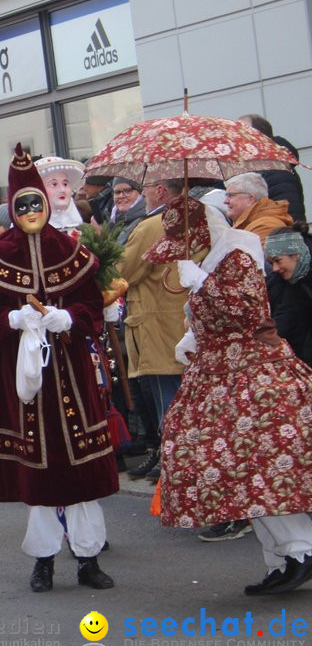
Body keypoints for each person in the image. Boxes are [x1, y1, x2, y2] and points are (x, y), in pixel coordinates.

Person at [0, 145, 118, 593]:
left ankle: (89, 557)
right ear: (13, 209)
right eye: (24, 204)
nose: (33, 210)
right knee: (37, 473)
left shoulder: (69, 249)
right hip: (23, 380)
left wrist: (68, 317)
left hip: (69, 371)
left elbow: (92, 305)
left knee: (81, 471)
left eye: (38, 202)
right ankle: (45, 561)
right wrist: (12, 320)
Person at [149, 196, 312, 595]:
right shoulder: (210, 263)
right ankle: (282, 557)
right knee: (232, 470)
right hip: (217, 374)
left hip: (252, 375)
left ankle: (300, 550)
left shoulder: (238, 255)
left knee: (254, 463)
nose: (183, 253)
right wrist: (191, 337)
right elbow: (211, 316)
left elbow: (246, 311)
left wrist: (203, 283)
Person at [118, 178, 187, 484]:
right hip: (182, 321)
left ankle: (174, 460)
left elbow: (123, 271)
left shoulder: (151, 226)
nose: (142, 192)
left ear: (160, 190)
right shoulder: (196, 219)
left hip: (158, 324)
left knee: (166, 398)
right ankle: (173, 456)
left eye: (145, 187)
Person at [238, 113, 305, 222]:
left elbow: (290, 215)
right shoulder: (256, 167)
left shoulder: (277, 167)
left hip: (278, 236)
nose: (237, 136)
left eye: (243, 131)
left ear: (260, 136)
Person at [266, 224, 312, 368]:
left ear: (296, 255)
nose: (275, 268)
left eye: (278, 261)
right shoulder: (278, 283)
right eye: (271, 262)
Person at [225, 172, 295, 249]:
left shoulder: (266, 225)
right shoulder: (251, 223)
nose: (225, 201)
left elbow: (256, 260)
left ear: (250, 199)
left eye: (231, 195)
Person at [34, 156, 86, 232]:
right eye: (54, 184)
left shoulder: (86, 231)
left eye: (65, 184)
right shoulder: (30, 235)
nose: (62, 190)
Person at [111, 177, 148, 244]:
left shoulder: (143, 220)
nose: (121, 196)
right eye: (117, 192)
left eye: (127, 191)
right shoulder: (115, 219)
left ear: (140, 193)